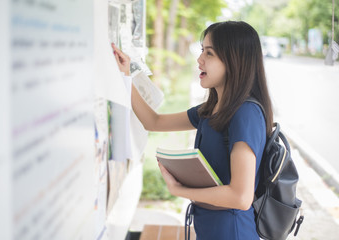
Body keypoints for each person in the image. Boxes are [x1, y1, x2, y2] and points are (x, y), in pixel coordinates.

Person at [112, 21, 273, 240]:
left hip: (231, 232)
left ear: (235, 60)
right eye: (202, 51)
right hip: (209, 227)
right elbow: (154, 122)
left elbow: (241, 196)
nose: (199, 60)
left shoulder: (246, 114)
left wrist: (180, 191)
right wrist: (126, 76)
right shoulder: (212, 109)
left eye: (210, 53)